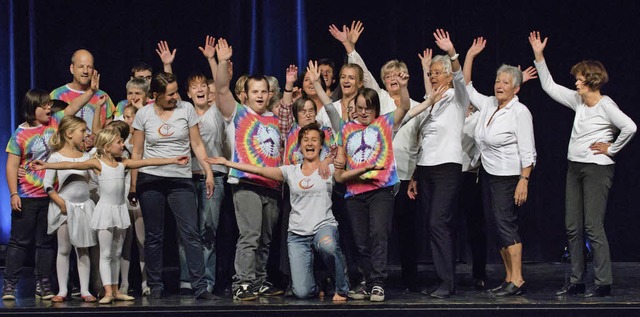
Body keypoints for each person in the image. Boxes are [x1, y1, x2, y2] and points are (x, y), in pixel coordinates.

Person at [529, 31, 637, 297]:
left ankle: (603, 282)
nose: (575, 83)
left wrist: (612, 148)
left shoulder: (605, 105)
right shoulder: (578, 101)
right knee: (572, 226)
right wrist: (539, 56)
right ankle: (576, 280)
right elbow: (550, 87)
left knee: (592, 225)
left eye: (579, 78)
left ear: (590, 81)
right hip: (574, 167)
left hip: (597, 169)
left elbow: (630, 127)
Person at [206, 124, 365, 301]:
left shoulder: (329, 169)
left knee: (328, 246)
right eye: (305, 140)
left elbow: (346, 168)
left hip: (323, 227)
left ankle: (342, 287)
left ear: (321, 145)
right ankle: (319, 283)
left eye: (314, 140)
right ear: (300, 146)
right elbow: (259, 170)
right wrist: (228, 163)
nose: (310, 143)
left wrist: (364, 167)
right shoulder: (291, 171)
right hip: (297, 235)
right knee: (302, 293)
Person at [32, 128, 189, 304]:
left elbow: (147, 162)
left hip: (120, 210)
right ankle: (107, 291)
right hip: (105, 211)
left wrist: (173, 160)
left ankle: (115, 290)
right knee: (105, 253)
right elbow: (71, 165)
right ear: (107, 147)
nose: (123, 145)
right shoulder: (98, 163)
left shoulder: (123, 163)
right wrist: (47, 165)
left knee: (117, 253)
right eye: (119, 143)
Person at [2, 77, 99, 300]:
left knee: (45, 243)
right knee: (20, 241)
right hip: (27, 196)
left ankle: (43, 284)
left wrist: (91, 91)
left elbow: (74, 107)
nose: (49, 107)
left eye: (49, 104)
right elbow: (11, 166)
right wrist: (14, 193)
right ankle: (10, 285)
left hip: (51, 196)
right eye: (44, 104)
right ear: (32, 108)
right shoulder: (19, 134)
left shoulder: (55, 123)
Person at [129, 71, 216, 300]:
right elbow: (136, 152)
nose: (175, 97)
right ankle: (155, 286)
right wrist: (133, 186)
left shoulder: (185, 109)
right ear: (155, 95)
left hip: (180, 179)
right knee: (154, 235)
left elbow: (196, 144)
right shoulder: (144, 114)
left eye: (176, 91)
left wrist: (208, 171)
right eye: (170, 94)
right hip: (150, 179)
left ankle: (199, 287)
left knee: (190, 233)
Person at [464, 37, 537, 296]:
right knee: (496, 226)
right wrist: (470, 56)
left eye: (506, 82)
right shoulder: (489, 105)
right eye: (498, 81)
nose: (499, 85)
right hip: (489, 174)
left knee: (506, 225)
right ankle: (508, 277)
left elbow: (528, 151)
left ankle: (518, 279)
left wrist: (523, 180)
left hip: (509, 178)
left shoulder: (520, 113)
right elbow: (467, 87)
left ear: (516, 89)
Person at [214, 38, 284, 300]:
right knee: (250, 235)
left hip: (272, 186)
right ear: (247, 93)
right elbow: (221, 89)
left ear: (269, 94)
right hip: (246, 184)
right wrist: (222, 62)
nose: (259, 95)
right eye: (255, 91)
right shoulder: (240, 114)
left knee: (265, 239)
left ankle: (259, 279)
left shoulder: (276, 120)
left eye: (263, 91)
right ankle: (242, 282)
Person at [406, 29, 470, 299]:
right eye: (430, 73)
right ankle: (443, 279)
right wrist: (415, 175)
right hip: (427, 168)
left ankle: (447, 281)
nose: (432, 76)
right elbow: (422, 140)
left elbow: (459, 77)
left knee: (438, 222)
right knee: (434, 225)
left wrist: (453, 53)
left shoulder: (458, 98)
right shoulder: (428, 102)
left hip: (447, 168)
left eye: (436, 72)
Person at [43, 116, 97, 302]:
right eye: (82, 131)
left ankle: (85, 290)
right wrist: (60, 202)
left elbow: (93, 179)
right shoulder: (56, 157)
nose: (85, 134)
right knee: (64, 249)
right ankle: (62, 291)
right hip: (65, 208)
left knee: (83, 249)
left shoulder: (86, 157)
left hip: (83, 208)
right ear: (69, 133)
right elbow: (47, 184)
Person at [50, 49, 116, 136]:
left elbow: (109, 133)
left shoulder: (103, 96)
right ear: (72, 69)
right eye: (81, 66)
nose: (85, 71)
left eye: (89, 67)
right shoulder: (57, 95)